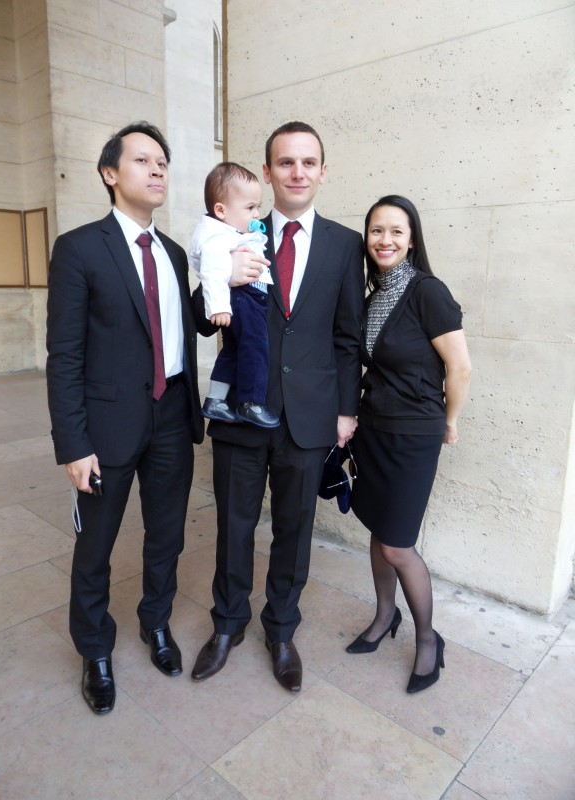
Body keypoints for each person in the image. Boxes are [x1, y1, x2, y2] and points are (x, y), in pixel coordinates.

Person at [191, 121, 365, 692]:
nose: (297, 172)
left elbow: (347, 337)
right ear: (266, 173)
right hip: (244, 409)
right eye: (285, 162)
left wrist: (346, 410)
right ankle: (227, 625)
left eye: (308, 162)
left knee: (295, 528)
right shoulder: (237, 229)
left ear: (322, 172)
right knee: (234, 525)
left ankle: (282, 630)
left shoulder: (345, 244)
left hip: (309, 417)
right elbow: (201, 316)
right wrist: (220, 280)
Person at [46, 121, 212, 715]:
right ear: (110, 174)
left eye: (163, 160)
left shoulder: (173, 253)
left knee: (167, 534)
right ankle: (95, 649)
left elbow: (181, 326)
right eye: (143, 160)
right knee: (96, 545)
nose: (158, 168)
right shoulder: (79, 248)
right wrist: (73, 443)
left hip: (172, 416)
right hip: (107, 427)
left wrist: (225, 278)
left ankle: (155, 622)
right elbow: (64, 355)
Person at [346, 195, 472, 694]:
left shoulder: (427, 292)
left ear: (412, 239)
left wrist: (450, 421)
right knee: (378, 530)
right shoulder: (373, 295)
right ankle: (384, 616)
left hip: (414, 435)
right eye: (376, 231)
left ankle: (427, 638)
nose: (385, 240)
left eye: (396, 231)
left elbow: (459, 367)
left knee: (398, 545)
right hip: (373, 431)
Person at [189, 162, 279, 428]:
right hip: (244, 297)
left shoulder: (230, 231)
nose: (256, 214)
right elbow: (213, 272)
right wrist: (219, 306)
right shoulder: (217, 237)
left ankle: (215, 400)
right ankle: (251, 402)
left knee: (233, 349)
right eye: (250, 208)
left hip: (243, 298)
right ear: (221, 210)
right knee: (255, 348)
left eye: (257, 206)